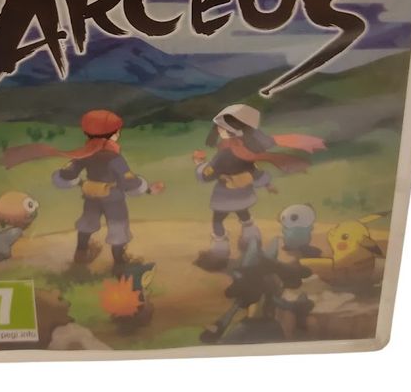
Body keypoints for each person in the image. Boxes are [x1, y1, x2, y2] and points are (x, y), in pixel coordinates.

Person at [194, 104, 324, 271]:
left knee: (218, 220)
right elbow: (254, 171)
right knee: (244, 214)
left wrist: (199, 164)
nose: (218, 130)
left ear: (229, 130)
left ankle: (219, 252)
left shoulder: (224, 154)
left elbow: (208, 175)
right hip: (243, 194)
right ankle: (251, 239)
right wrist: (267, 184)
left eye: (221, 127)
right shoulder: (246, 151)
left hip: (225, 195)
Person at [52, 109, 164, 272]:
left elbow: (67, 173)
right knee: (118, 228)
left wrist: (80, 182)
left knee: (87, 222)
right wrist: (147, 189)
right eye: (117, 132)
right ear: (112, 135)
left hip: (91, 195)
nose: (118, 134)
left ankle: (81, 254)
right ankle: (120, 263)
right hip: (113, 198)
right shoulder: (115, 158)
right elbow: (128, 181)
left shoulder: (85, 155)